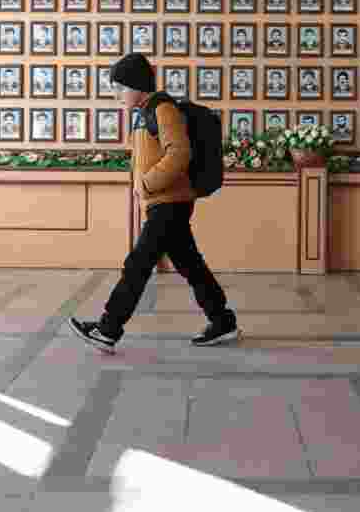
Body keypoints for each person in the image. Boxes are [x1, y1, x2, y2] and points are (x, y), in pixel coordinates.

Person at [70, 53, 239, 352]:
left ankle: (108, 329)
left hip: (169, 202)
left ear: (138, 85)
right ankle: (223, 322)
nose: (117, 95)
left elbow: (179, 154)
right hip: (165, 202)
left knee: (137, 264)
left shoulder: (163, 110)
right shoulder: (146, 111)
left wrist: (147, 184)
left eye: (121, 88)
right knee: (191, 265)